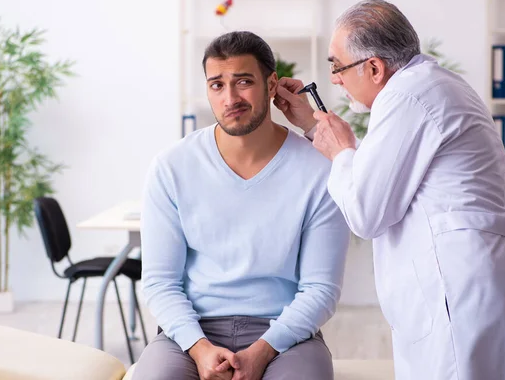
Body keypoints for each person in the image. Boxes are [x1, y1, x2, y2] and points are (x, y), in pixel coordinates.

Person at [275, 0, 505, 380]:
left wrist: (340, 152)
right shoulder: (431, 86)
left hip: (458, 288)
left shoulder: (406, 97)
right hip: (477, 280)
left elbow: (366, 212)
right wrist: (314, 126)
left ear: (374, 67)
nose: (335, 80)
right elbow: (384, 179)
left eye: (338, 67)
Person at [133, 31, 350, 380]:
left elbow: (320, 289)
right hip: (191, 333)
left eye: (243, 81)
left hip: (285, 337)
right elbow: (160, 282)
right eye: (216, 85)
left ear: (272, 84)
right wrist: (199, 348)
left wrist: (263, 351)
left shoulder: (318, 169)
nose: (230, 97)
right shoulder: (172, 166)